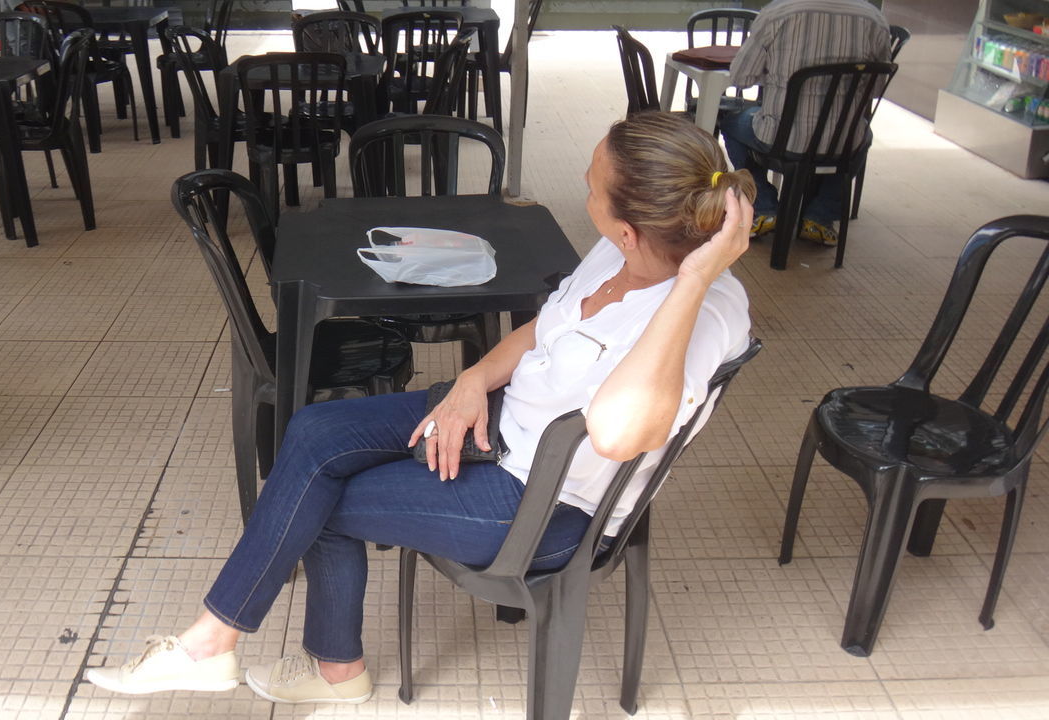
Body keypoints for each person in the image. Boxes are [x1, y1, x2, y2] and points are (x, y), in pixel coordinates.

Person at [87, 112, 756, 705]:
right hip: (501, 423)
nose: (583, 194)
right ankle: (229, 647)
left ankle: (286, 661)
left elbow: (616, 433)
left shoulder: (704, 314)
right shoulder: (617, 253)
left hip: (545, 502)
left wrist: (692, 281)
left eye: (590, 186)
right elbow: (543, 330)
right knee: (313, 432)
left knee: (316, 501)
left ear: (632, 229)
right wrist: (469, 383)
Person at [721, 0, 890, 246]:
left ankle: (764, 205)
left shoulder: (777, 13)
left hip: (780, 137)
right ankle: (820, 215)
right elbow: (875, 87)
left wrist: (777, 75)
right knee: (862, 137)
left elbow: (740, 77)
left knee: (731, 124)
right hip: (842, 141)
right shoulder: (873, 18)